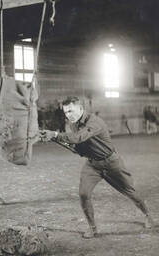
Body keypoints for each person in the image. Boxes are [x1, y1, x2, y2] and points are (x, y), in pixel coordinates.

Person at [40, 96, 154, 239]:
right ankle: (92, 228)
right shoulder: (73, 124)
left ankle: (147, 215)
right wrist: (53, 138)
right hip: (93, 165)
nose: (69, 115)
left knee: (130, 192)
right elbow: (77, 146)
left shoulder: (95, 122)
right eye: (66, 112)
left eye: (71, 111)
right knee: (84, 194)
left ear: (81, 108)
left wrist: (55, 134)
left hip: (112, 163)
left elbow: (78, 138)